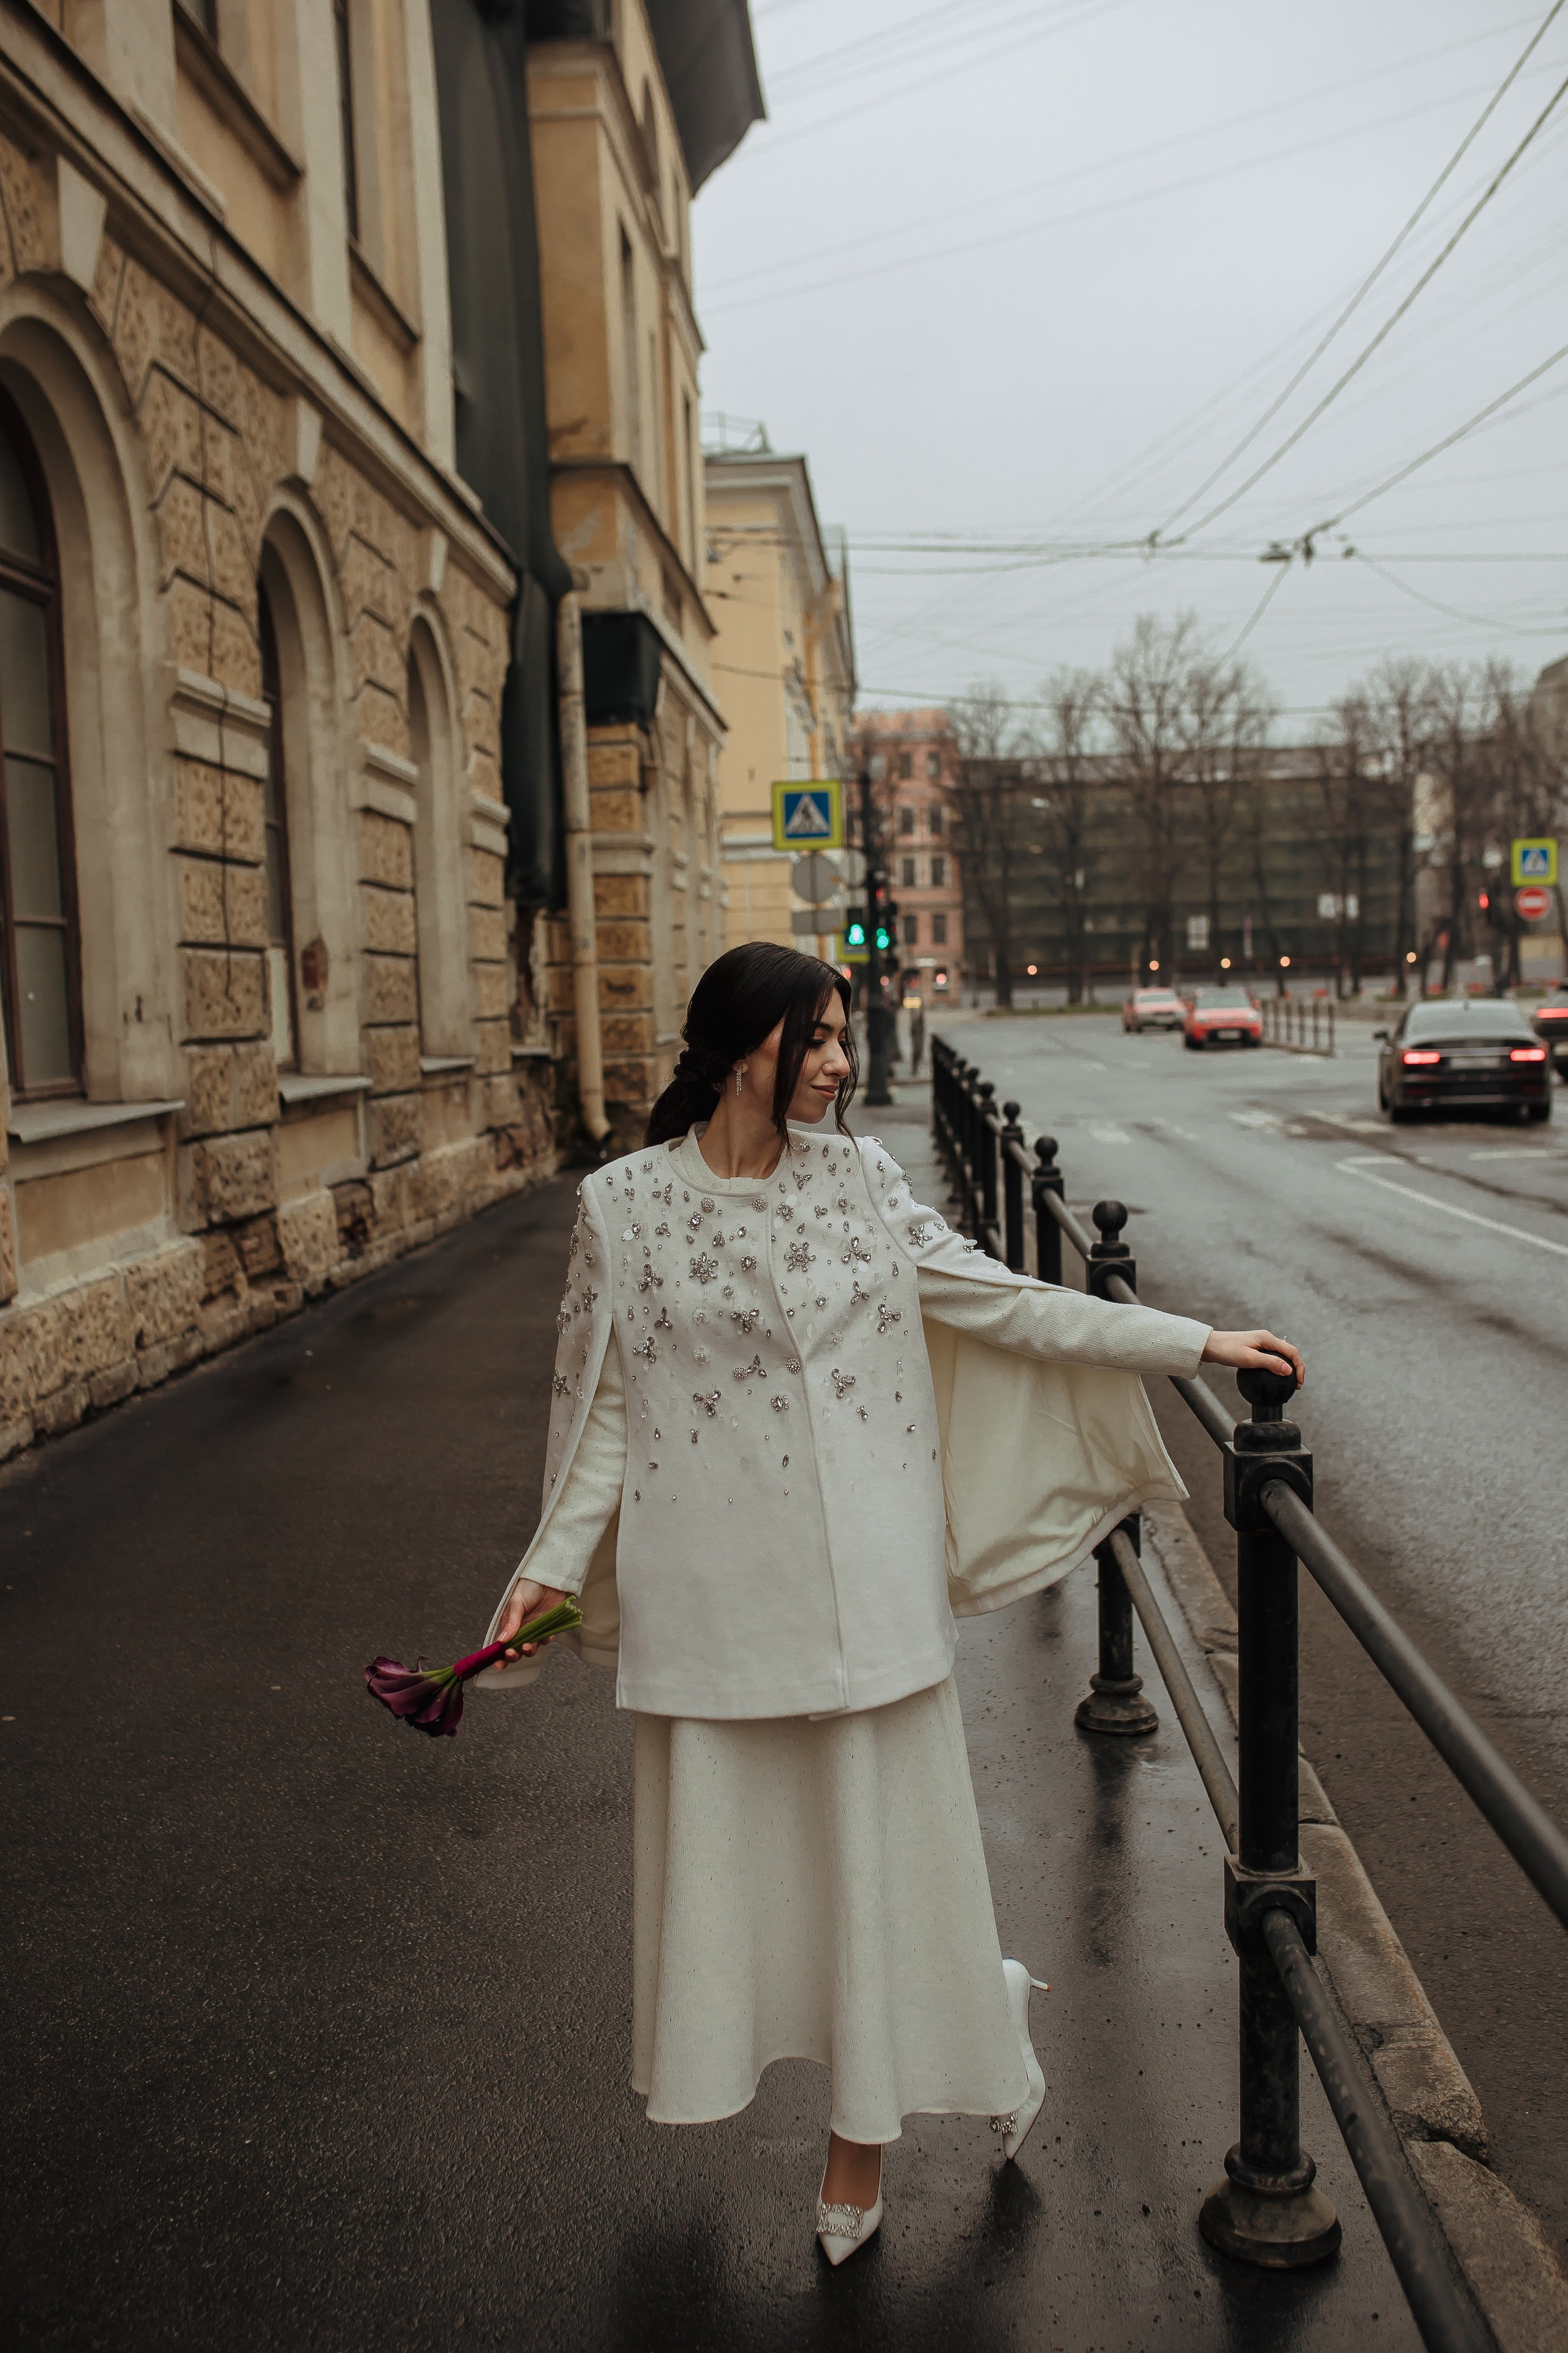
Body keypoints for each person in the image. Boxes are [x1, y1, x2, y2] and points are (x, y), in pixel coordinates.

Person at [477, 942, 1303, 2266]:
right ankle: (977, 2013)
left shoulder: (860, 1183)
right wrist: (544, 1574)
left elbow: (1005, 1300)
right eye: (813, 1038)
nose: (838, 1063)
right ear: (739, 1044)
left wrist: (1185, 1340)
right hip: (713, 1612)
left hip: (868, 1603)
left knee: (873, 1869)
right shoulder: (621, 1206)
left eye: (843, 1037)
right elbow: (601, 1419)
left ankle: (858, 2144)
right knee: (750, 1885)